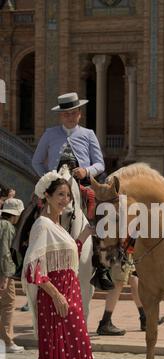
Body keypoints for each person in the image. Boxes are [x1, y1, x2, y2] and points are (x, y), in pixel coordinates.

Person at [21, 171, 117, 359]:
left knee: (61, 354)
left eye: (67, 195)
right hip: (58, 297)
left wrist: (84, 235)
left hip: (68, 293)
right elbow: (33, 270)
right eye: (60, 195)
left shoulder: (57, 225)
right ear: (47, 197)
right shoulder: (42, 225)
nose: (65, 200)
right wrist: (56, 295)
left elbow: (63, 257)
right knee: (78, 352)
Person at [31, 91, 113, 290]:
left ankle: (100, 264)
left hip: (81, 184)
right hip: (55, 185)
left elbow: (100, 163)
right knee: (30, 212)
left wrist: (87, 170)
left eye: (73, 113)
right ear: (61, 115)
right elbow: (36, 161)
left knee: (100, 214)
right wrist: (48, 179)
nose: (70, 116)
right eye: (66, 113)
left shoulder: (88, 134)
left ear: (79, 114)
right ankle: (24, 252)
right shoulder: (50, 134)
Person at [97, 253, 164, 336]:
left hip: (126, 251)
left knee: (133, 278)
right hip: (120, 249)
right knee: (118, 282)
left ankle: (145, 318)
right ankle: (105, 323)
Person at [0, 198, 25, 354]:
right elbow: (5, 253)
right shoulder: (8, 226)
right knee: (8, 305)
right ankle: (6, 342)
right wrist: (6, 276)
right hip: (3, 273)